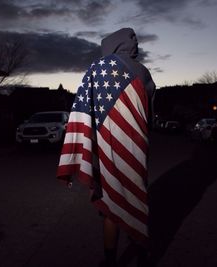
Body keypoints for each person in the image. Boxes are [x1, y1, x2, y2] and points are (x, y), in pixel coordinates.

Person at [57, 28, 155, 267]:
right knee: (135, 197)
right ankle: (142, 256)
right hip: (137, 147)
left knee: (111, 206)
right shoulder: (143, 72)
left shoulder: (97, 68)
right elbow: (150, 114)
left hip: (106, 147)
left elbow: (82, 110)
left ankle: (110, 261)